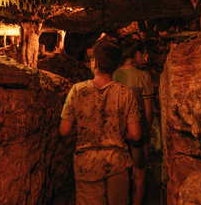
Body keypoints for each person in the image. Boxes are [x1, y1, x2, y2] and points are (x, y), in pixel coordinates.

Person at [60, 39, 142, 205]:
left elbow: (64, 130)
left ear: (95, 62)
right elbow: (135, 135)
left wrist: (83, 128)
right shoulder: (125, 93)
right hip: (117, 165)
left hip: (87, 166)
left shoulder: (77, 90)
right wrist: (119, 131)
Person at [112, 36, 155, 205]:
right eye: (143, 54)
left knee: (119, 171)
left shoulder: (114, 74)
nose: (145, 58)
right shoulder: (143, 76)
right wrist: (149, 129)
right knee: (139, 173)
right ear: (136, 55)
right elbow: (149, 110)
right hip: (139, 125)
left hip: (118, 127)